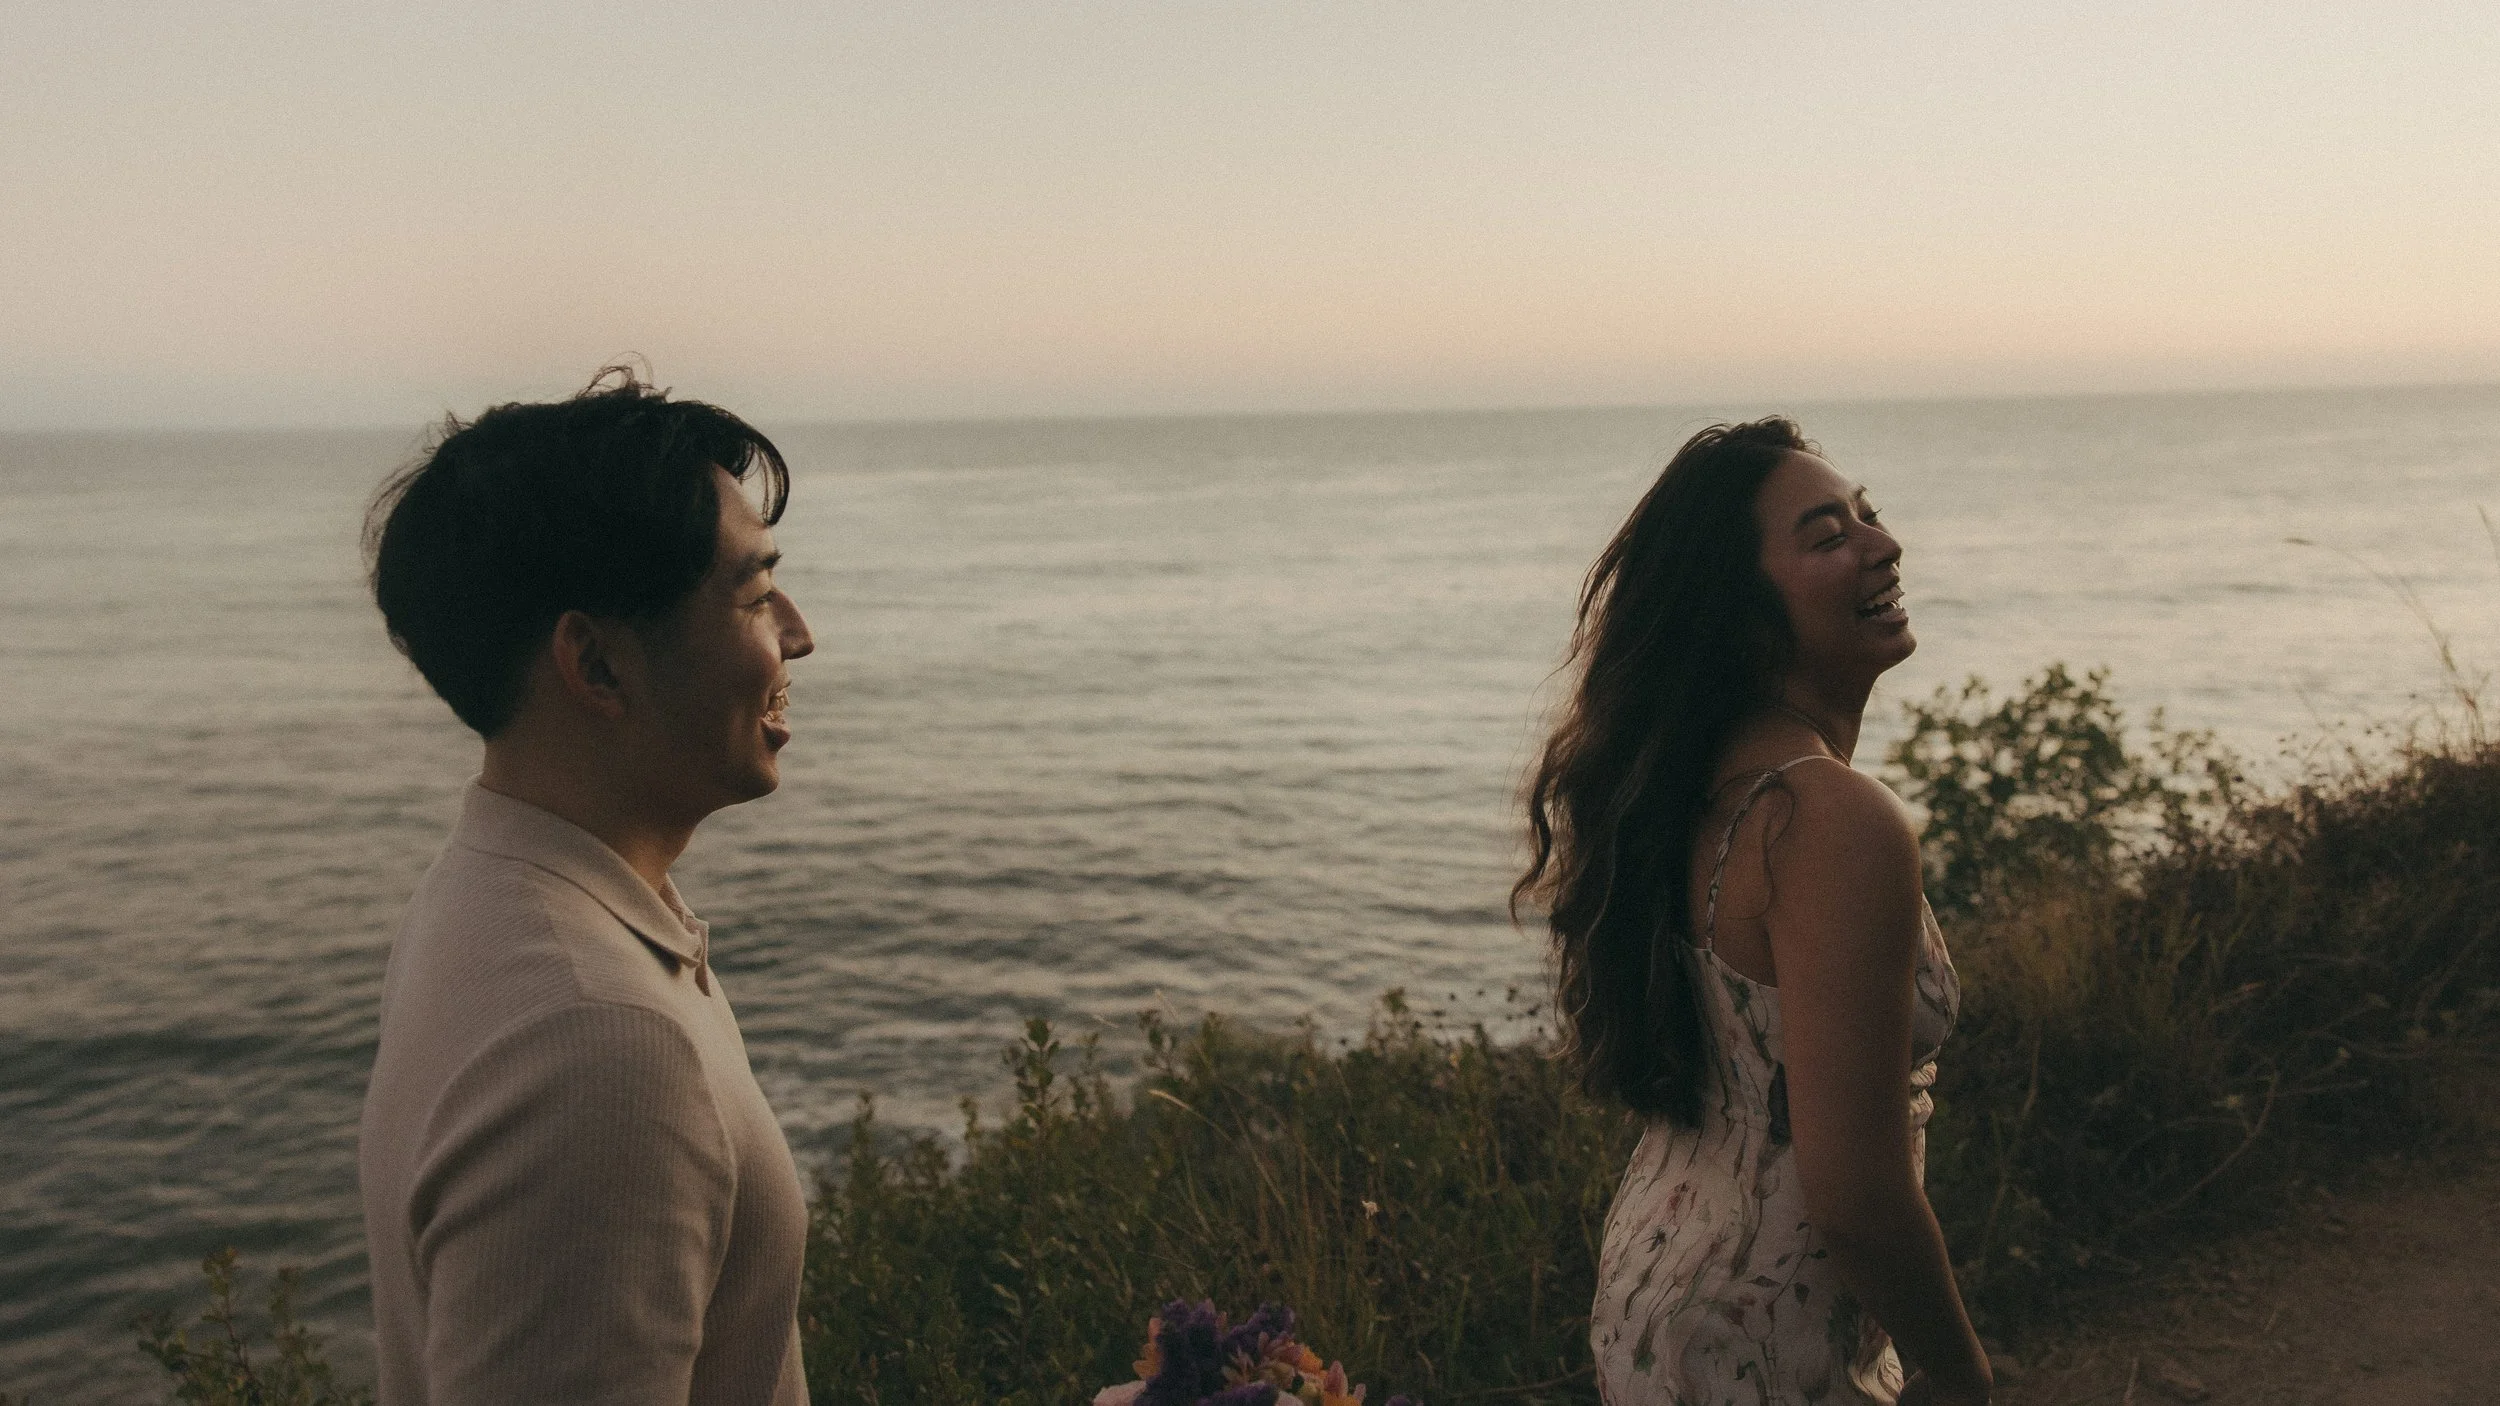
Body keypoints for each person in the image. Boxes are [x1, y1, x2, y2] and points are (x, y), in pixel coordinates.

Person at [357, 369, 816, 1404]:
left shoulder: (479, 901)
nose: (796, 632)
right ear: (597, 665)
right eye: (751, 592)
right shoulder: (600, 1043)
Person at [1517, 419, 1990, 1405]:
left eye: (1866, 513)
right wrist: (1955, 1367)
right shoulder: (1824, 818)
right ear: (1736, 615)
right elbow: (1854, 1189)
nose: (1882, 543)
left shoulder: (1691, 791)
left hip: (1665, 1284)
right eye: (1827, 535)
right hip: (1761, 1328)